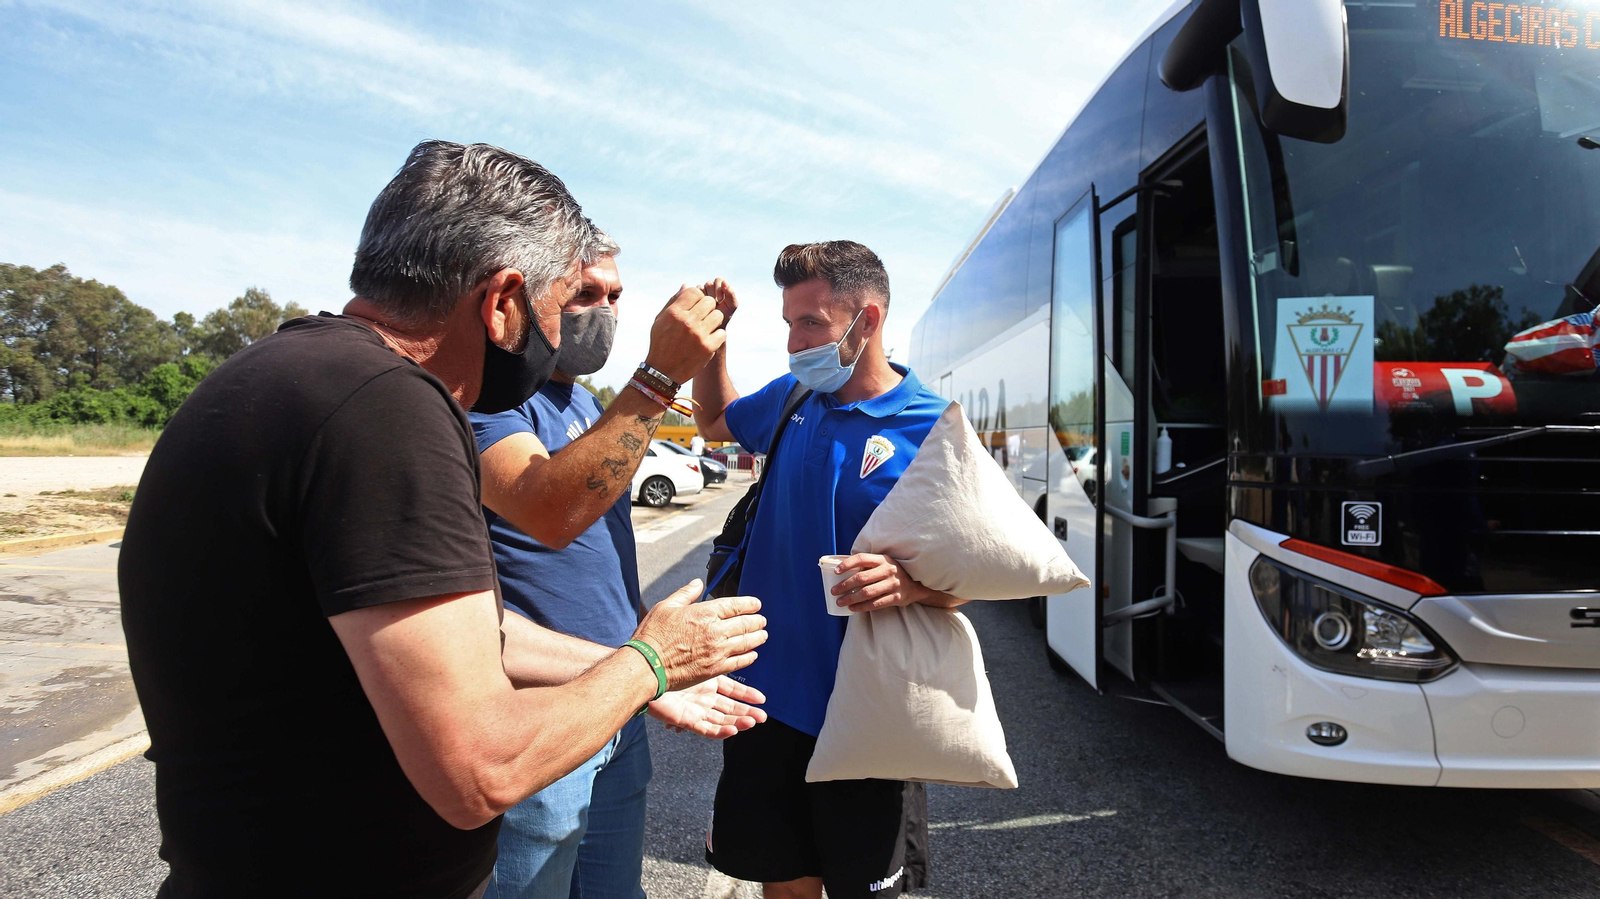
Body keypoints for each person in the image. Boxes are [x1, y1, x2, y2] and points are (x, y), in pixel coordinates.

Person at [118, 141, 767, 899]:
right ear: (502, 304)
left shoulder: (287, 375)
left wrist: (632, 672)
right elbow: (480, 768)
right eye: (562, 305)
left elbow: (463, 629)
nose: (567, 333)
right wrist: (650, 661)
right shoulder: (388, 410)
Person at [472, 237, 762, 899]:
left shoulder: (579, 401)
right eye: (584, 293)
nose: (602, 309)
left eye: (615, 295)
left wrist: (645, 663)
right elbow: (553, 506)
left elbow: (603, 555)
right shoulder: (489, 400)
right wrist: (659, 375)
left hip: (620, 699)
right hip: (542, 712)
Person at [693, 241, 966, 899]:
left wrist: (912, 585)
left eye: (810, 323)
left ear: (866, 320)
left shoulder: (933, 428)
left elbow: (974, 579)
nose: (794, 342)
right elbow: (709, 421)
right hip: (763, 704)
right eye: (789, 322)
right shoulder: (791, 399)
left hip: (868, 716)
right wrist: (714, 345)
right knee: (783, 883)